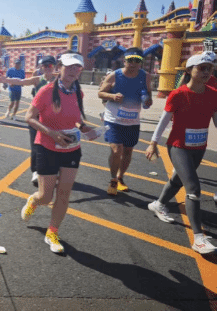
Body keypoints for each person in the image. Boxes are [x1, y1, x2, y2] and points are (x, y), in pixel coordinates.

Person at [20, 53, 95, 254]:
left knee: (64, 193)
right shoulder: (45, 91)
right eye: (69, 66)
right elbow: (29, 117)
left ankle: (52, 232)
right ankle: (34, 200)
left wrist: (85, 128)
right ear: (59, 67)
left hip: (71, 148)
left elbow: (76, 118)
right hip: (47, 147)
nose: (73, 71)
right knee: (45, 197)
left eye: (77, 67)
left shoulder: (78, 93)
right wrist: (51, 133)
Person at [145, 52, 217, 254]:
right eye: (201, 68)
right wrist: (153, 143)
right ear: (189, 70)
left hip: (199, 147)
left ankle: (158, 204)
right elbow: (163, 121)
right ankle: (199, 238)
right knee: (193, 188)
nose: (206, 72)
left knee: (178, 180)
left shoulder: (213, 93)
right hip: (178, 146)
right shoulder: (178, 94)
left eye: (209, 68)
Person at [0, 55, 57, 187]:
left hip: (52, 119)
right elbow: (21, 81)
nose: (47, 68)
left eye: (50, 65)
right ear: (41, 67)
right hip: (36, 118)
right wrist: (6, 79)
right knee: (36, 146)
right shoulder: (37, 79)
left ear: (54, 67)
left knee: (52, 146)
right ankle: (36, 171)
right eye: (44, 65)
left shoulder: (59, 81)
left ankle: (51, 170)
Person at [98, 47, 152, 196]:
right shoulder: (114, 75)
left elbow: (148, 93)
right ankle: (113, 179)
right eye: (130, 60)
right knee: (117, 150)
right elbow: (100, 93)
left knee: (128, 151)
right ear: (124, 60)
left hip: (132, 121)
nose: (133, 63)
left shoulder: (146, 76)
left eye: (137, 60)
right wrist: (112, 96)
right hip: (113, 119)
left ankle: (120, 177)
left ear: (141, 62)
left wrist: (148, 100)